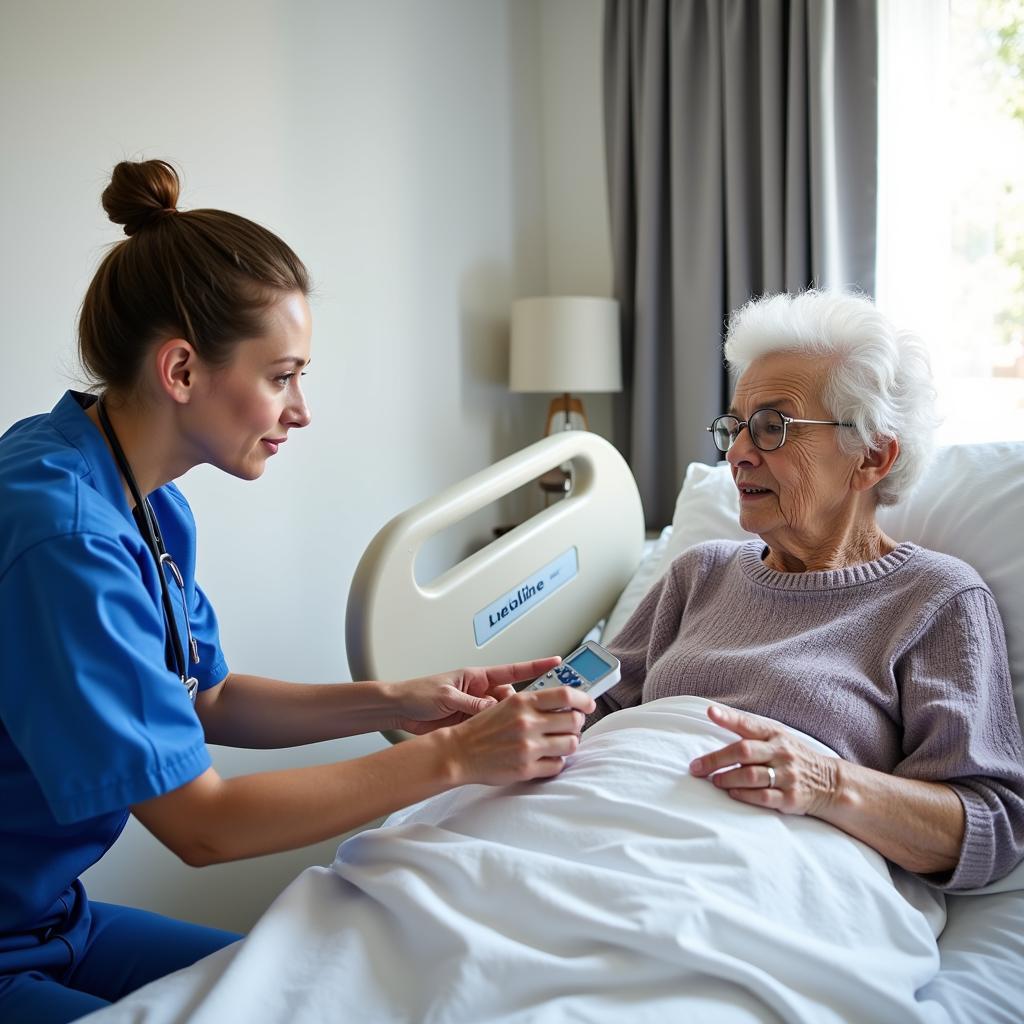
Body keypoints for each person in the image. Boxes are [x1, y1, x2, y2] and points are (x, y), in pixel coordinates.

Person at [0, 159, 594, 1023]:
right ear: (180, 371)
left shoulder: (141, 496)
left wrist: (403, 700)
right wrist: (457, 759)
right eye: (282, 377)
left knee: (314, 991)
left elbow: (208, 697)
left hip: (54, 918)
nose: (301, 409)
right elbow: (203, 827)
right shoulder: (65, 537)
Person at [588, 289, 1024, 890]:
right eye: (735, 428)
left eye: (772, 427)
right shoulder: (699, 573)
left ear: (871, 457)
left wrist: (827, 783)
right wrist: (499, 710)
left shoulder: (935, 600)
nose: (738, 454)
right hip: (602, 831)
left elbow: (990, 825)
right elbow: (586, 700)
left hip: (762, 879)